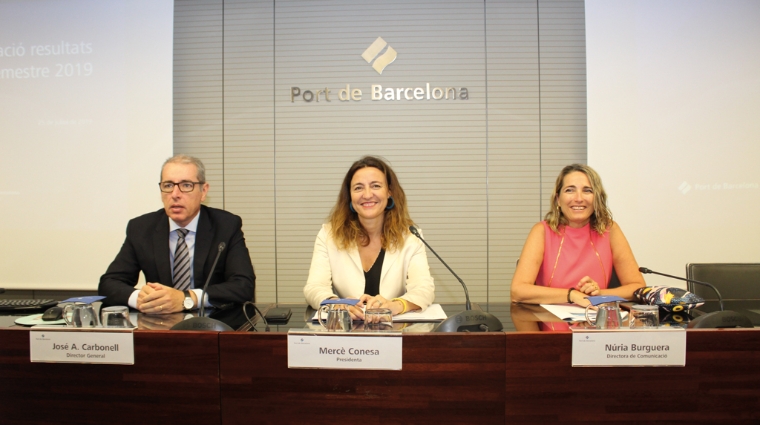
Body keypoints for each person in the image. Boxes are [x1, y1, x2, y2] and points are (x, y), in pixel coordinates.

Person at [98, 154, 255, 314]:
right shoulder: (141, 228)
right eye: (168, 185)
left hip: (213, 324)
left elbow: (243, 285)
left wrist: (187, 298)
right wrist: (141, 298)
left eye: (186, 185)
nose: (175, 194)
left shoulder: (226, 226)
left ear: (203, 191)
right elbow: (109, 283)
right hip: (159, 325)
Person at [303, 156, 435, 320]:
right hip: (345, 334)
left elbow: (424, 288)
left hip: (393, 332)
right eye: (358, 188)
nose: (367, 195)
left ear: (389, 191)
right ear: (350, 195)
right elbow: (314, 287)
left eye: (376, 186)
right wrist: (335, 304)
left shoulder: (410, 236)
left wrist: (396, 305)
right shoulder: (328, 235)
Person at [510, 164, 645, 310]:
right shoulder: (542, 231)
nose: (579, 198)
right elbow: (518, 291)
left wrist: (598, 295)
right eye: (570, 190)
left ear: (597, 198)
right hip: (551, 326)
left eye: (587, 190)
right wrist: (572, 295)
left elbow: (637, 287)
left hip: (596, 325)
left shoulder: (610, 230)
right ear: (558, 199)